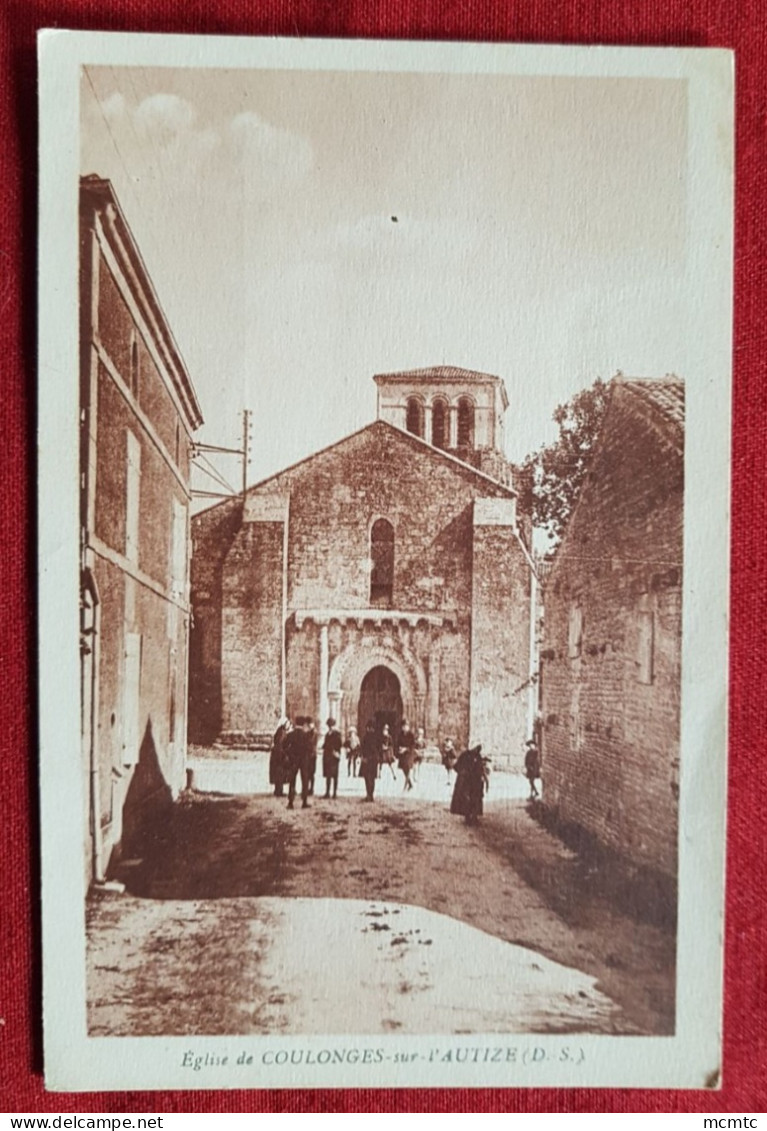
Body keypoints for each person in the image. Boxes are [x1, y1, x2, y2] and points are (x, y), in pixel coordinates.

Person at [450, 744, 489, 824]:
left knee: (475, 799)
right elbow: (457, 767)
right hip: (467, 782)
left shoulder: (476, 756)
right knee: (468, 799)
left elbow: (480, 769)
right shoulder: (466, 756)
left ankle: (473, 817)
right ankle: (468, 818)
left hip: (475, 782)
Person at [284, 716, 314, 810]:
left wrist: (290, 754)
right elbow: (310, 748)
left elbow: (284, 746)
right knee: (304, 780)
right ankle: (304, 802)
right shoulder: (306, 735)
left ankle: (290, 802)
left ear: (295, 723)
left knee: (292, 780)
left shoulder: (291, 734)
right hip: (304, 761)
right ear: (303, 724)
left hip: (293, 760)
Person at [268, 716, 290, 797]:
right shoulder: (282, 732)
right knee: (280, 772)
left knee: (277, 772)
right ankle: (279, 791)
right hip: (279, 754)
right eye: (288, 723)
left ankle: (277, 790)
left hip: (276, 754)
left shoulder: (279, 731)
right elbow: (280, 744)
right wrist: (284, 754)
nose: (289, 725)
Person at [322, 717, 343, 799]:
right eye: (329, 725)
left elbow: (339, 744)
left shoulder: (337, 734)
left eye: (331, 725)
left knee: (335, 775)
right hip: (327, 756)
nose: (330, 727)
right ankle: (327, 792)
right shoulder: (327, 734)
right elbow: (326, 744)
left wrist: (335, 750)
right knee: (328, 775)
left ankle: (334, 793)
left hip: (334, 756)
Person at [360, 720, 379, 802]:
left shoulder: (368, 737)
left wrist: (365, 757)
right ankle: (370, 795)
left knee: (368, 778)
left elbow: (371, 749)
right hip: (372, 760)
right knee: (371, 778)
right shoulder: (375, 737)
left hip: (369, 760)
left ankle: (369, 795)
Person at [397, 720, 416, 790]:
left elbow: (413, 745)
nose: (405, 728)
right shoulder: (400, 734)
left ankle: (405, 787)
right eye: (404, 726)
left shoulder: (411, 735)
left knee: (407, 768)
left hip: (409, 754)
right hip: (402, 754)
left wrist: (406, 749)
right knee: (404, 769)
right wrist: (400, 748)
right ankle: (410, 784)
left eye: (406, 726)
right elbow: (398, 743)